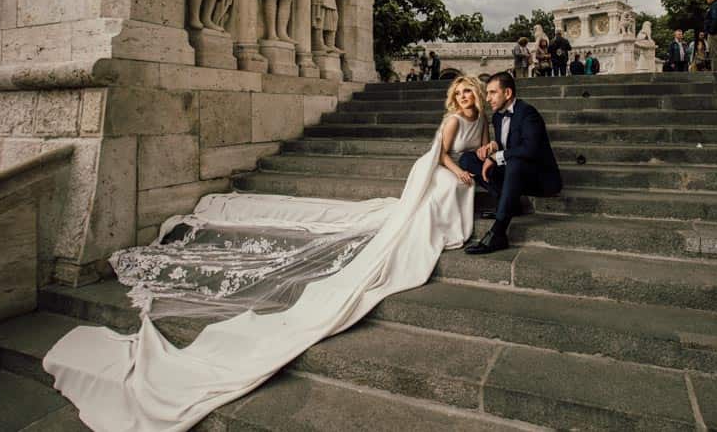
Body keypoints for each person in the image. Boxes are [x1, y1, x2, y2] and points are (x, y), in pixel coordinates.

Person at [44, 76, 492, 429]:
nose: (466, 96)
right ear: (454, 97)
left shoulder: (480, 120)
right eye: (461, 92)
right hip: (432, 171)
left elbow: (476, 147)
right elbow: (440, 155)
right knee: (443, 190)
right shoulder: (452, 120)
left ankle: (447, 222)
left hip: (453, 172)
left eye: (470, 91)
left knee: (452, 190)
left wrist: (486, 152)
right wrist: (460, 169)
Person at [459, 72, 562, 254]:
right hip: (514, 172)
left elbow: (529, 149)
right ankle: (508, 204)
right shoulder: (498, 116)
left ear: (507, 93)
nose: (488, 98)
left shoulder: (528, 113)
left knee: (514, 162)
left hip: (540, 179)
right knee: (467, 159)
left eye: (492, 93)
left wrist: (495, 157)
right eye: (487, 93)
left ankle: (498, 233)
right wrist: (493, 147)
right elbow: (509, 143)